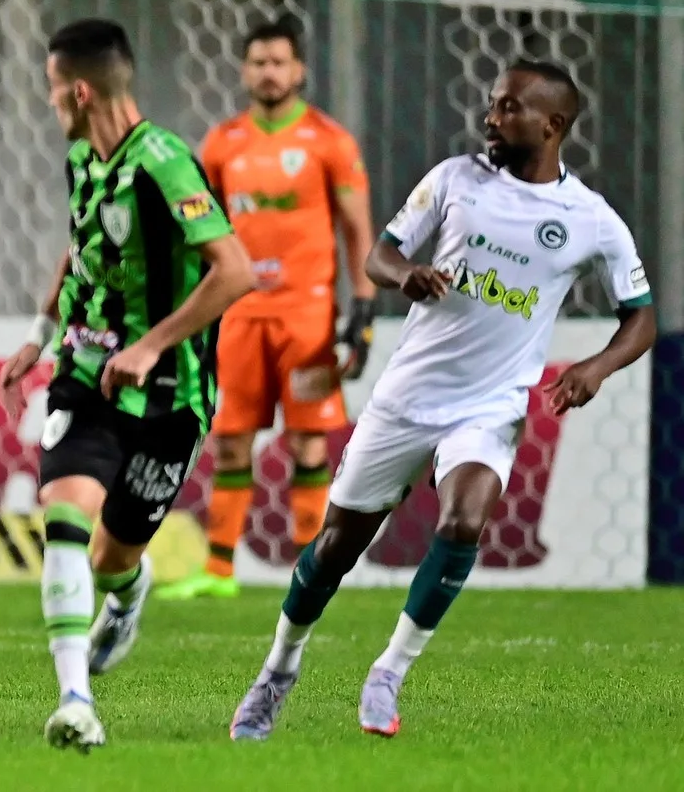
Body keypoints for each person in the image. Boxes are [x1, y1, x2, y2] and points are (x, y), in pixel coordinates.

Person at [230, 60, 654, 742]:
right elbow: (379, 255)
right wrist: (406, 275)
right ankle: (278, 668)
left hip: (489, 405)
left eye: (508, 108)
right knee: (336, 547)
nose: (491, 117)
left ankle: (389, 672)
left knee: (464, 521)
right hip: (407, 397)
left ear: (550, 125)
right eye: (491, 104)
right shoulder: (453, 179)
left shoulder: (590, 221)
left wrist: (596, 367)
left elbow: (640, 316)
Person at [0, 19, 256, 752]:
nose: (51, 108)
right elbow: (79, 245)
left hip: (171, 393)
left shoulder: (166, 163)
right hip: (85, 376)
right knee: (63, 516)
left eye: (52, 94)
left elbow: (232, 270)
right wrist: (37, 335)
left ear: (79, 91)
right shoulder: (83, 160)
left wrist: (150, 345)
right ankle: (75, 700)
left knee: (114, 557)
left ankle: (128, 594)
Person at [161, 15, 377, 599]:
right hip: (237, 313)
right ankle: (218, 572)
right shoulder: (223, 143)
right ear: (243, 70)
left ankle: (311, 573)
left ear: (299, 69)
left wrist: (362, 308)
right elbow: (199, 229)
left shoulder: (329, 141)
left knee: (308, 442)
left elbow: (359, 230)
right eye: (258, 62)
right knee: (229, 440)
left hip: (306, 316)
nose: (269, 72)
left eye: (279, 62)